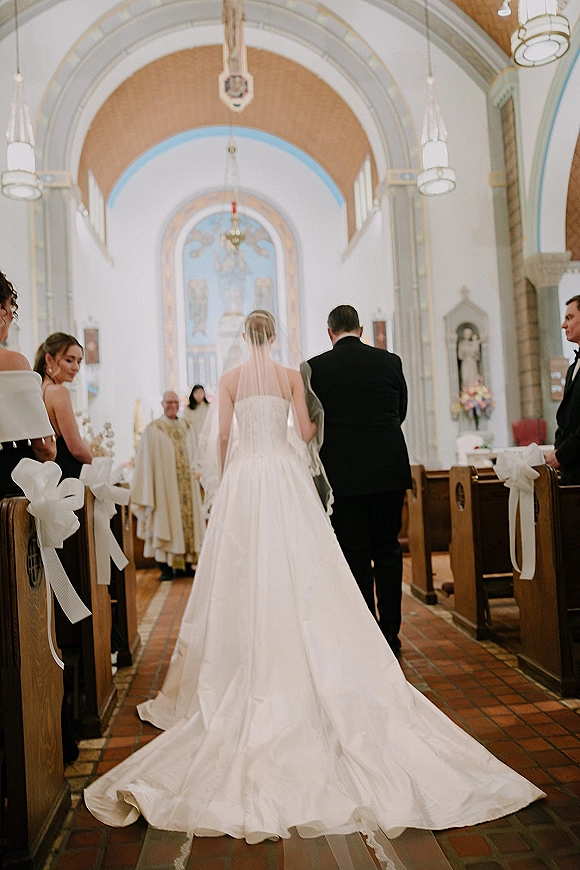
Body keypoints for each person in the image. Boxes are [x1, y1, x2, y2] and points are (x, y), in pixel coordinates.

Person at [84, 310, 543, 861]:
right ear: (273, 336)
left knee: (246, 569)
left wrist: (226, 480)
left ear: (240, 340)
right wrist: (288, 440)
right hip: (282, 474)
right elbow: (304, 432)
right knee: (309, 569)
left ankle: (251, 656)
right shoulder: (289, 376)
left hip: (248, 479)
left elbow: (223, 436)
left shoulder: (228, 381)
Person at [303, 305, 411, 655]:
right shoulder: (389, 362)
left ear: (330, 333)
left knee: (355, 555)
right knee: (389, 550)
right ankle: (391, 634)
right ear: (361, 330)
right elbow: (401, 411)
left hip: (343, 477)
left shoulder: (315, 368)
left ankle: (368, 637)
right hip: (388, 471)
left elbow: (312, 424)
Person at [131, 391, 204, 581]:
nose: (172, 405)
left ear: (179, 404)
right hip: (165, 490)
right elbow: (145, 464)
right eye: (168, 402)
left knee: (188, 523)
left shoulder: (188, 427)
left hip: (187, 486)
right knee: (165, 520)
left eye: (175, 402)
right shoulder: (154, 430)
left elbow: (197, 456)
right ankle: (166, 567)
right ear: (162, 404)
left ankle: (187, 564)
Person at [0, 271, 55, 495]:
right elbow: (45, 447)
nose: (12, 317)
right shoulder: (14, 362)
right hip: (8, 481)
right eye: (10, 307)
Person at [34, 333, 93, 478]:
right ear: (49, 359)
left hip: (48, 475)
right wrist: (96, 465)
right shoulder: (59, 392)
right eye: (69, 360)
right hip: (67, 475)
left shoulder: (38, 389)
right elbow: (76, 448)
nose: (75, 367)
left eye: (79, 362)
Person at [546, 294, 580, 484]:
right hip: (571, 472)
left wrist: (562, 455)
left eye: (569, 317)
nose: (563, 325)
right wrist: (558, 450)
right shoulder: (572, 369)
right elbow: (567, 419)